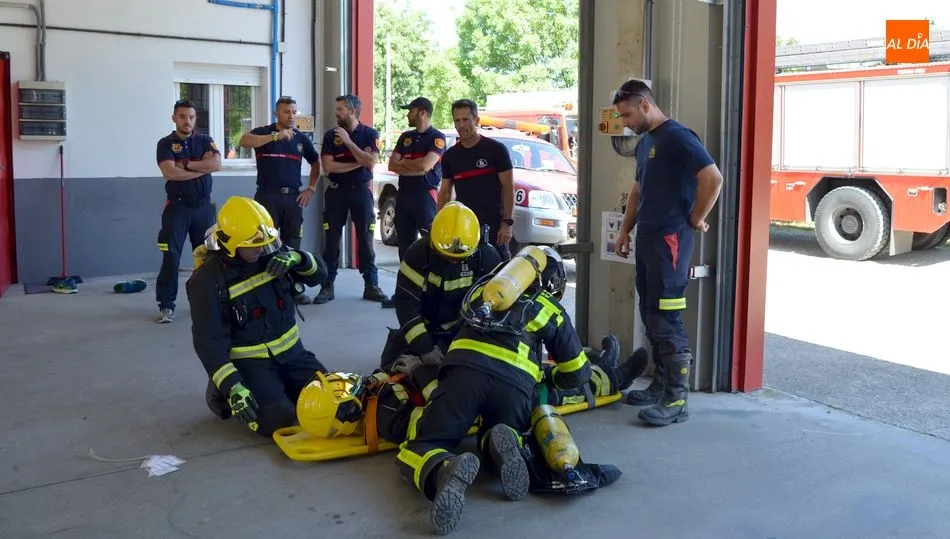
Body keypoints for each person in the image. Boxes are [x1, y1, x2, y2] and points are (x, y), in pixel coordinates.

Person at [394, 245, 593, 534]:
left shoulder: (483, 292)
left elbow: (457, 331)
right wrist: (551, 382)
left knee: (423, 444)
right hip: (513, 388)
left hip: (463, 375)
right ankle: (501, 442)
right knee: (504, 423)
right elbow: (578, 372)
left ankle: (441, 469)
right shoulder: (549, 308)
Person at [294, 335, 640, 500]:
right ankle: (610, 376)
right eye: (340, 387)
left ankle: (601, 362)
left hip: (463, 392)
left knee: (534, 373)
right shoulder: (383, 415)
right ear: (344, 410)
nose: (347, 381)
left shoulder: (376, 394)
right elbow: (432, 412)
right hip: (461, 404)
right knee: (545, 384)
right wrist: (421, 373)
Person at [611, 78, 724, 427]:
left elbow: (713, 177)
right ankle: (660, 385)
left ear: (645, 105)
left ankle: (676, 398)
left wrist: (696, 217)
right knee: (649, 313)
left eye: (627, 115)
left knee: (665, 317)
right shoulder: (646, 144)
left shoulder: (678, 137)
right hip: (647, 239)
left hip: (670, 243)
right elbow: (638, 189)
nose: (625, 123)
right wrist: (625, 230)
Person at [187, 196, 331, 438]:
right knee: (280, 420)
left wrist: (299, 258)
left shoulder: (268, 249)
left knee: (332, 399)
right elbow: (208, 341)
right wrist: (232, 385)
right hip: (251, 362)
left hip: (293, 354)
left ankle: (281, 388)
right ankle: (221, 391)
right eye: (252, 245)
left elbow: (319, 275)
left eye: (263, 242)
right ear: (230, 243)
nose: (259, 249)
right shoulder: (207, 280)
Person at [379, 202, 501, 372]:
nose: (452, 261)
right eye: (445, 255)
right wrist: (424, 348)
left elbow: (491, 310)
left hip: (467, 331)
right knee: (390, 366)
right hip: (425, 327)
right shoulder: (418, 255)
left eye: (459, 259)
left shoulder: (487, 258)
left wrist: (447, 346)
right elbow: (406, 302)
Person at [239, 96, 321, 305]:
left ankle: (293, 287)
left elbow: (316, 162)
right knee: (265, 243)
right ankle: (266, 288)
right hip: (267, 196)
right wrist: (275, 137)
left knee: (292, 245)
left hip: (293, 198)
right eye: (286, 112)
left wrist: (310, 189)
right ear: (277, 113)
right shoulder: (263, 132)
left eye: (294, 112)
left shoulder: (301, 139)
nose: (291, 116)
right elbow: (244, 141)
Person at [312, 95, 389, 305]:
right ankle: (327, 286)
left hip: (361, 193)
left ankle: (371, 285)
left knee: (366, 240)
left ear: (353, 111)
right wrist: (358, 162)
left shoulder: (370, 134)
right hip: (336, 192)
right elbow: (328, 167)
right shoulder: (330, 136)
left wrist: (348, 142)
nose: (336, 113)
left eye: (340, 109)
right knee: (331, 242)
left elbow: (371, 162)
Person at [154, 99, 222, 324]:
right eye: (182, 116)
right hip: (177, 208)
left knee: (207, 258)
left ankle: (206, 303)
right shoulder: (165, 144)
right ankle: (166, 305)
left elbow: (216, 165)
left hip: (203, 208)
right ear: (174, 118)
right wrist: (200, 169)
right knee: (171, 258)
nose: (187, 121)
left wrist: (188, 166)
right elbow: (170, 173)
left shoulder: (205, 140)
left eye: (191, 117)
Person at [438, 99, 515, 260]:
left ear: (477, 120)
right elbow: (445, 192)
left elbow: (508, 188)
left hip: (494, 225)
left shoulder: (496, 150)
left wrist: (507, 223)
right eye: (457, 120)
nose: (461, 125)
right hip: (462, 225)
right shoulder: (450, 156)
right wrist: (439, 223)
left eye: (466, 119)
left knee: (498, 272)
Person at [387, 97, 447, 261]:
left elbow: (425, 166)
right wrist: (415, 167)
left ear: (422, 113)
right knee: (405, 244)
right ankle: (407, 282)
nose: (408, 115)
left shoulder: (437, 137)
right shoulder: (405, 137)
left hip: (424, 196)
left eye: (411, 111)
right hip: (404, 195)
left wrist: (404, 163)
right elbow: (392, 165)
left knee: (431, 241)